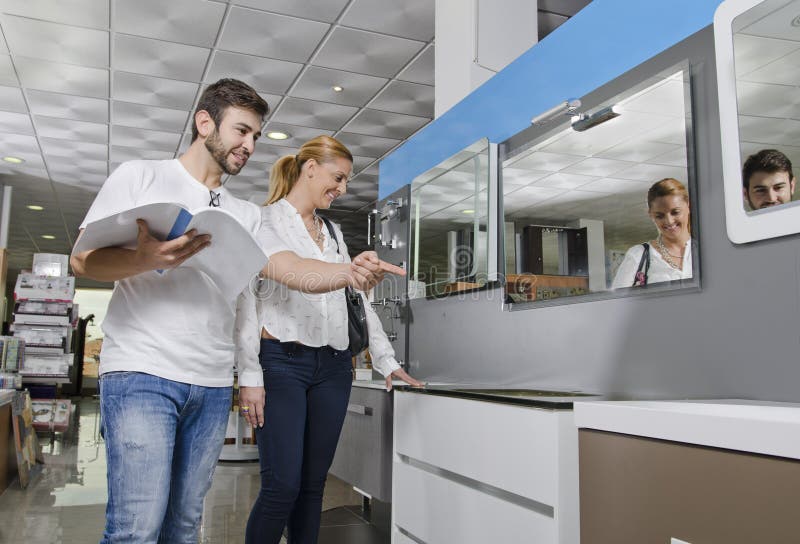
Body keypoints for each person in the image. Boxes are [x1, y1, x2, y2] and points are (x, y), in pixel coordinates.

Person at [70, 80, 392, 544]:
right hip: (141, 371)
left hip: (211, 382)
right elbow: (82, 259)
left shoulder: (246, 214)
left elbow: (272, 280)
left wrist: (345, 273)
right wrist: (147, 258)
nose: (249, 145)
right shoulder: (140, 176)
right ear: (205, 123)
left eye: (256, 136)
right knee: (136, 529)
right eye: (242, 131)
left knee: (184, 526)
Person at [234, 135, 424, 544]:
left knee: (311, 486)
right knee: (280, 486)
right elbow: (288, 280)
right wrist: (249, 373)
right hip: (281, 362)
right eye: (337, 178)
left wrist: (386, 360)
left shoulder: (334, 232)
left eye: (346, 182)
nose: (341, 189)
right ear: (310, 168)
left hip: (334, 367)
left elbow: (356, 302)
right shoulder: (263, 222)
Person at [611, 178, 692, 289]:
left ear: (688, 206)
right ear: (651, 215)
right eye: (660, 216)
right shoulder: (638, 255)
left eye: (675, 212)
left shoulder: (709, 251)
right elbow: (617, 304)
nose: (669, 221)